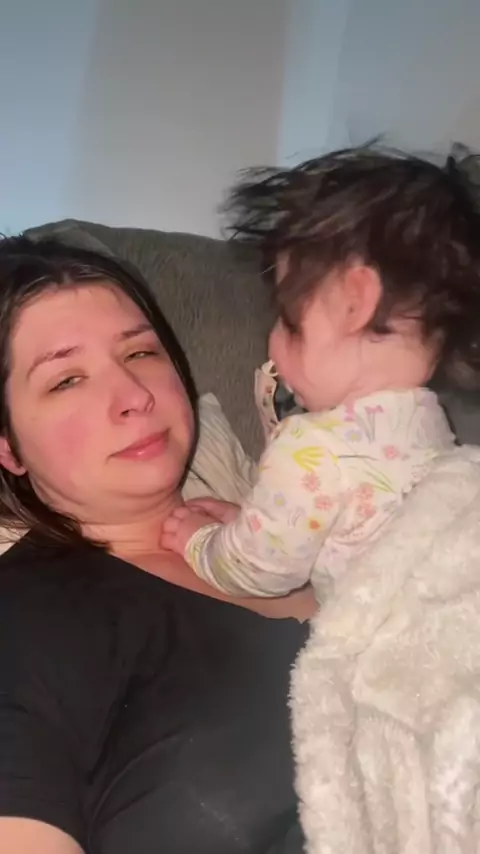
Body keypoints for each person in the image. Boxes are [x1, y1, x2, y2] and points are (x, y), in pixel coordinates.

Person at [0, 236, 313, 854]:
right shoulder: (22, 622)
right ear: (7, 448)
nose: (134, 396)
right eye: (66, 379)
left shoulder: (307, 529)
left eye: (140, 352)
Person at [161, 144, 480, 604]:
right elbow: (343, 537)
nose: (272, 343)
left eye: (289, 324)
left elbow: (258, 570)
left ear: (355, 303)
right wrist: (250, 523)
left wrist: (200, 541)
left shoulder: (312, 447)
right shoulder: (429, 426)